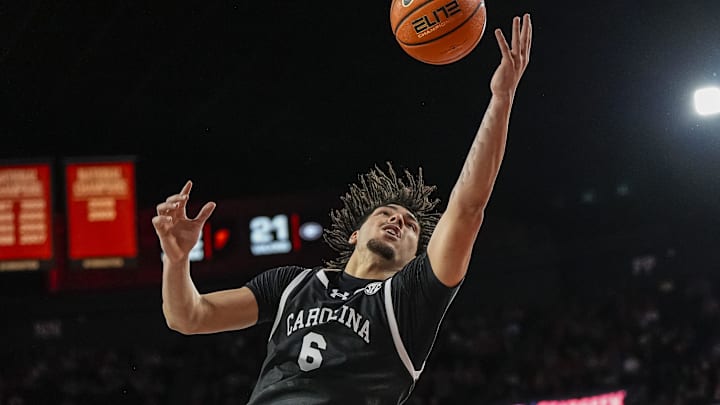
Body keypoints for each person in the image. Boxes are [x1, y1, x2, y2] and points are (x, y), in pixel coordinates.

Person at [153, 13, 532, 405]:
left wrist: (501, 100)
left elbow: (467, 207)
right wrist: (176, 259)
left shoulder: (411, 298)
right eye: (386, 213)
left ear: (417, 257)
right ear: (356, 233)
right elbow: (188, 317)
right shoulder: (290, 285)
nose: (397, 221)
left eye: (410, 226)